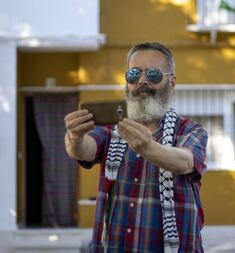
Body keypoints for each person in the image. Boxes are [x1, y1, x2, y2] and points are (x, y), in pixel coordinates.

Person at [64, 42, 208, 252]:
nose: (142, 81)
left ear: (172, 82)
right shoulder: (111, 128)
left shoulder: (190, 130)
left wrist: (148, 147)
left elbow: (185, 162)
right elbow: (85, 149)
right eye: (134, 74)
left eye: (153, 74)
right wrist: (75, 137)